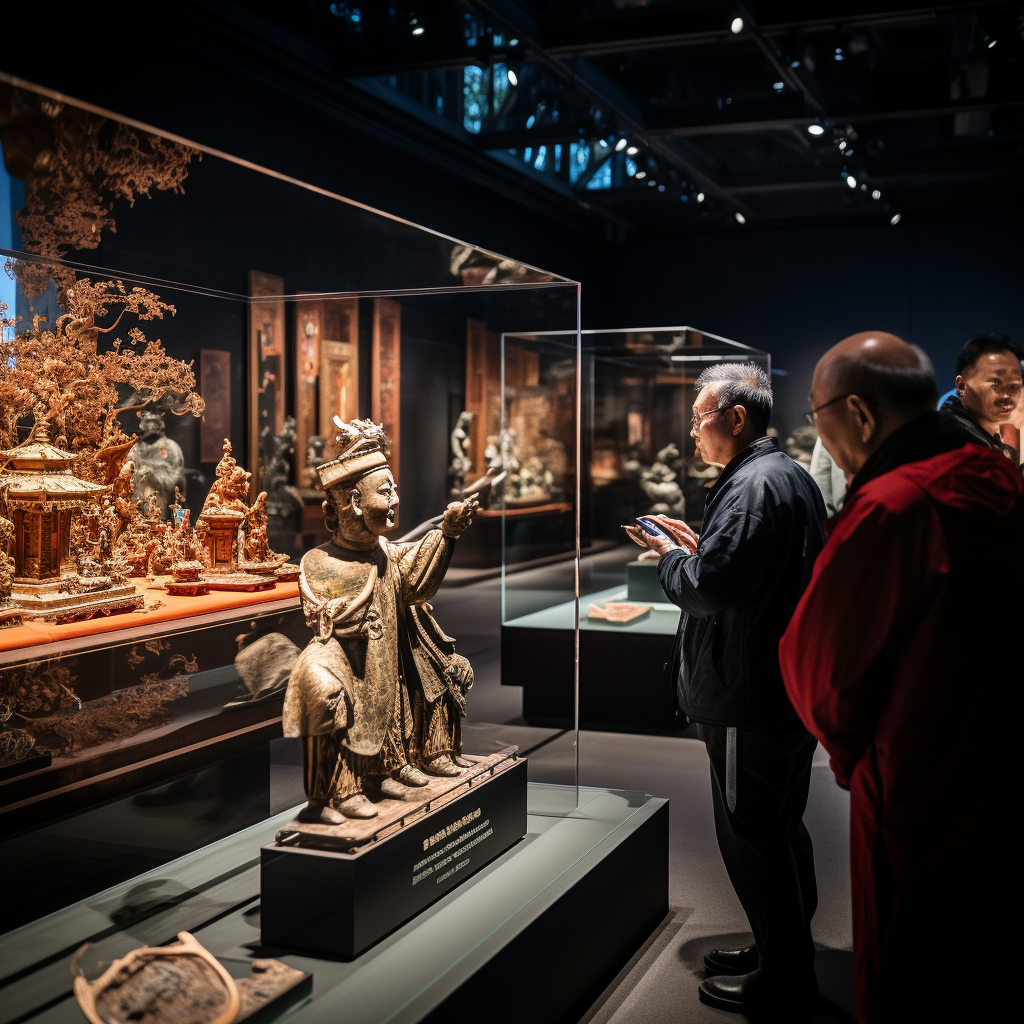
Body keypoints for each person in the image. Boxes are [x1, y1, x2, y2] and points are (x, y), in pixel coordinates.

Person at [779, 332, 1023, 1022]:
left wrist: (857, 755)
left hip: (915, 778)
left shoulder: (893, 505)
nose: (817, 434)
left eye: (815, 416)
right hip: (995, 763)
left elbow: (818, 667)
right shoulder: (1002, 477)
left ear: (857, 415)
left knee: (906, 960)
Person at [626, 363, 827, 1015]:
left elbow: (710, 588)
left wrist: (671, 560)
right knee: (776, 827)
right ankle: (783, 946)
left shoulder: (752, 485)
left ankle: (785, 976)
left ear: (736, 419)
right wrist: (699, 547)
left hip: (749, 696)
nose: (692, 434)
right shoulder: (784, 475)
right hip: (777, 689)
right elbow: (743, 570)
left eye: (698, 419)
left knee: (754, 836)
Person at [939, 332, 1023, 462]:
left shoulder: (983, 437)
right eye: (995, 382)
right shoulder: (954, 442)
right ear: (961, 386)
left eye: (1014, 384)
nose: (1007, 395)